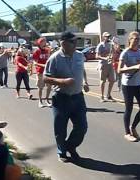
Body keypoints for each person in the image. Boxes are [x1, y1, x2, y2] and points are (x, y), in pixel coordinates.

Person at [44, 31, 89, 162]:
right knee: (60, 128)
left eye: (76, 41)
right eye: (73, 42)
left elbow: (82, 69)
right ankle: (61, 151)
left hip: (78, 97)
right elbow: (46, 78)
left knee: (82, 127)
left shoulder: (80, 55)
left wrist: (85, 82)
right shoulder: (54, 58)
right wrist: (62, 82)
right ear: (63, 43)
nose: (76, 44)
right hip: (61, 98)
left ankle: (70, 146)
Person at [118, 31, 140, 142]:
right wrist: (135, 66)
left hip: (139, 83)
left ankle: (133, 126)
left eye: (138, 39)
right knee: (129, 109)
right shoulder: (125, 53)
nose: (136, 41)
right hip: (128, 84)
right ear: (129, 39)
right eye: (134, 39)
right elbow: (119, 70)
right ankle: (127, 133)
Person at [33, 37, 52, 108]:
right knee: (40, 87)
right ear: (40, 43)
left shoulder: (47, 50)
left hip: (48, 71)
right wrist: (42, 65)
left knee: (49, 86)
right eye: (43, 41)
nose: (45, 43)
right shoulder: (37, 51)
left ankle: (47, 99)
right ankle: (40, 101)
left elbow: (49, 59)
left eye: (45, 41)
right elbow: (35, 62)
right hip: (40, 71)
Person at [96, 32, 115, 102]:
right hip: (103, 64)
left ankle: (108, 95)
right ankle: (102, 96)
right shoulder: (100, 45)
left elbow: (113, 53)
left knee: (112, 80)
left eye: (109, 36)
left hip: (110, 64)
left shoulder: (111, 45)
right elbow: (97, 56)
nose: (108, 37)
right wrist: (104, 58)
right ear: (103, 37)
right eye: (106, 36)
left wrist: (112, 56)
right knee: (102, 81)